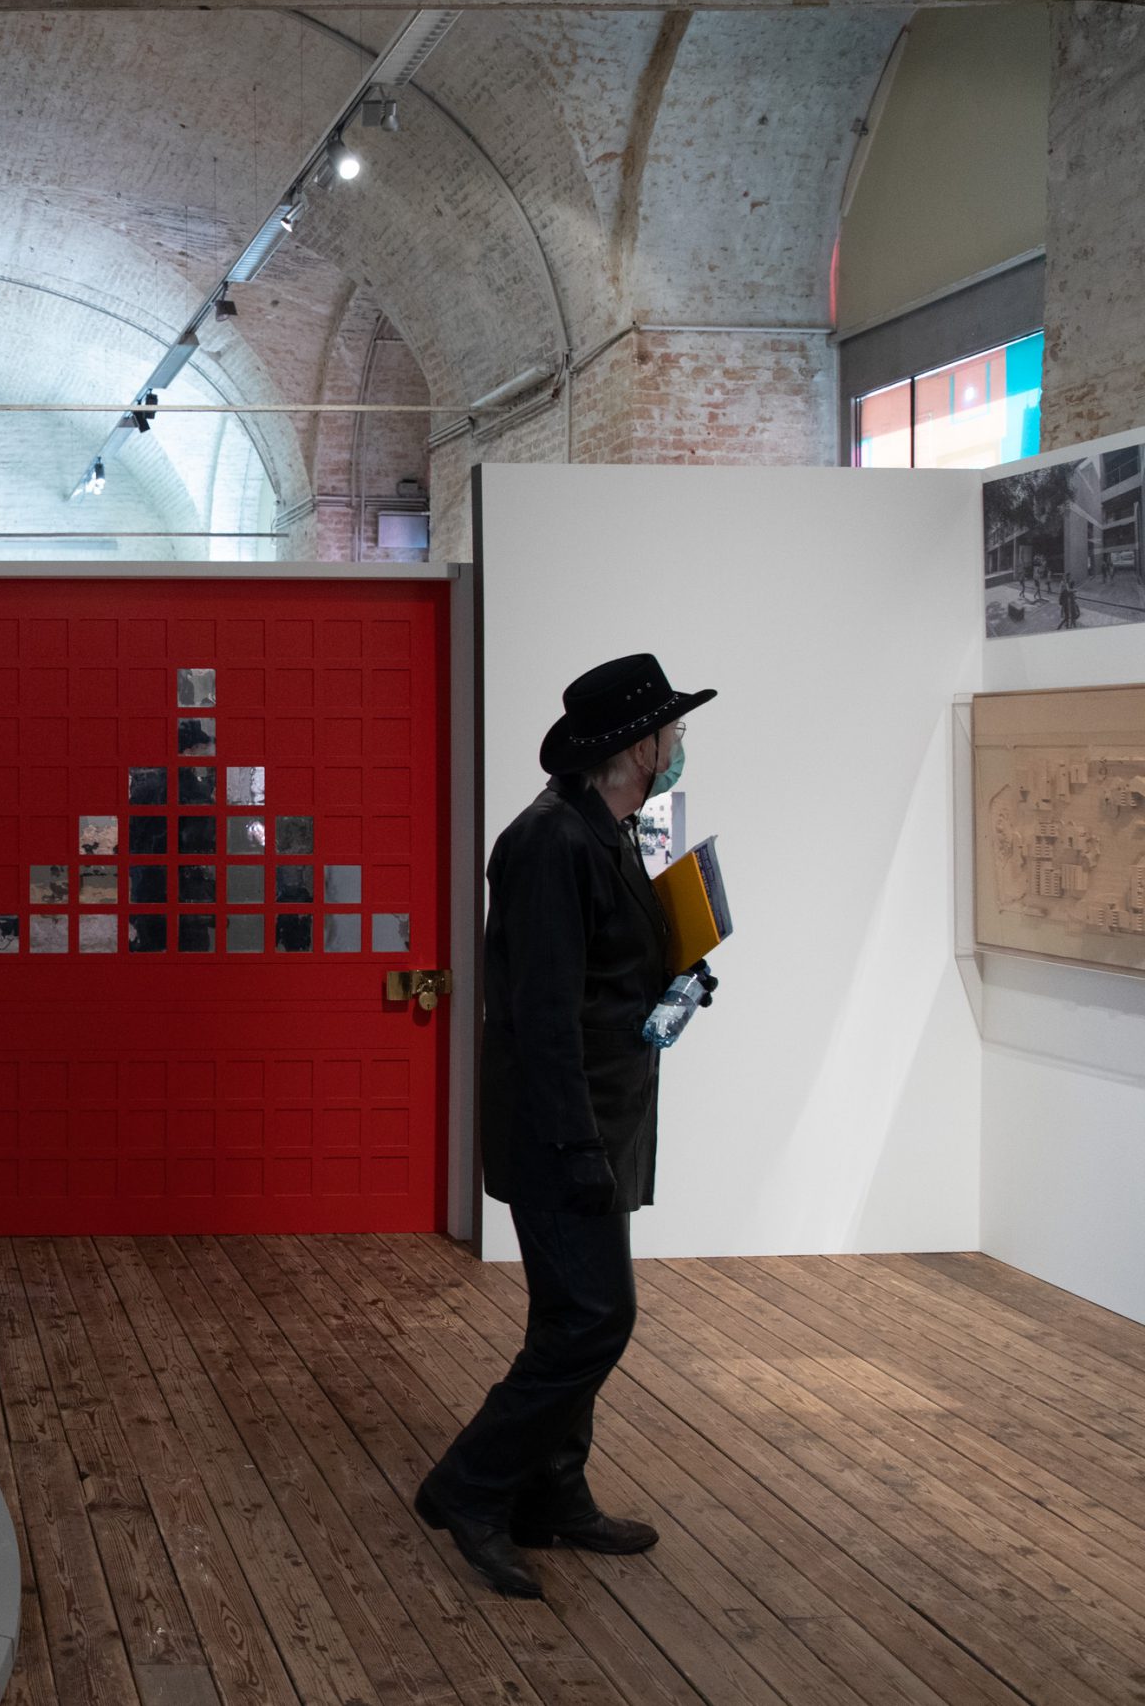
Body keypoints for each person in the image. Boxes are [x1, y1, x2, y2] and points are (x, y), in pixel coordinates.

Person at [414, 653, 716, 1600]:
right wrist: (578, 1144)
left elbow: (605, 973)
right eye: (671, 731)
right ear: (638, 744)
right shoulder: (551, 842)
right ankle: (469, 1485)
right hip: (565, 1125)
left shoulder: (613, 830)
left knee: (569, 1311)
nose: (680, 747)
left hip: (605, 1114)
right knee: (596, 1317)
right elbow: (538, 1013)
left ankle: (553, 1490)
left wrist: (680, 975)